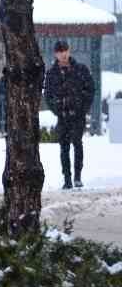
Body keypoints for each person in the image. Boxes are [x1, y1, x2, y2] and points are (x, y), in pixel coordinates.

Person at [43, 39, 95, 189]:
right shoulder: (52, 73)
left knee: (77, 144)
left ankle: (77, 176)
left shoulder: (80, 69)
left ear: (69, 51)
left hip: (77, 115)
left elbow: (90, 89)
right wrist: (57, 109)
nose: (63, 54)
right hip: (63, 115)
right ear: (56, 54)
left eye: (65, 50)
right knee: (64, 147)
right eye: (60, 52)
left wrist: (83, 108)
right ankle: (67, 178)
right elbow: (48, 95)